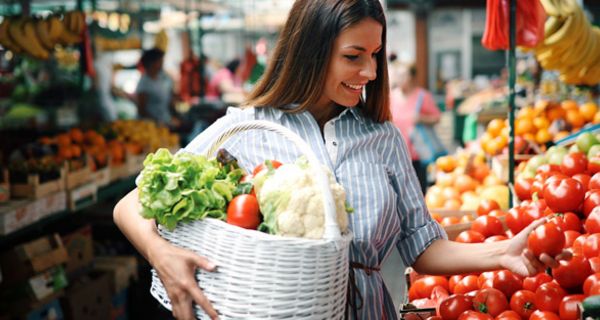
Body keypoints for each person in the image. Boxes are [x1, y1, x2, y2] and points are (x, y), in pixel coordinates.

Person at [113, 1, 571, 319]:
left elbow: (423, 249)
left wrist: (502, 252)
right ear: (310, 54)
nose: (370, 73)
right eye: (354, 56)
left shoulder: (383, 138)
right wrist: (163, 255)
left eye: (375, 56)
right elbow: (131, 204)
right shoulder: (246, 129)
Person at [389, 62, 442, 193]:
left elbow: (437, 117)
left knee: (419, 190)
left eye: (403, 75)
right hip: (396, 153)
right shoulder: (390, 96)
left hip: (418, 154)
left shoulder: (422, 96)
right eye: (397, 75)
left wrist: (421, 118)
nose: (399, 79)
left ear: (412, 77)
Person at [135, 48, 178, 126]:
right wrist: (156, 121)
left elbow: (170, 96)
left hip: (165, 120)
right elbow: (141, 110)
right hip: (150, 125)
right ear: (151, 63)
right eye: (160, 61)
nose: (162, 63)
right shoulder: (144, 83)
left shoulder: (163, 77)